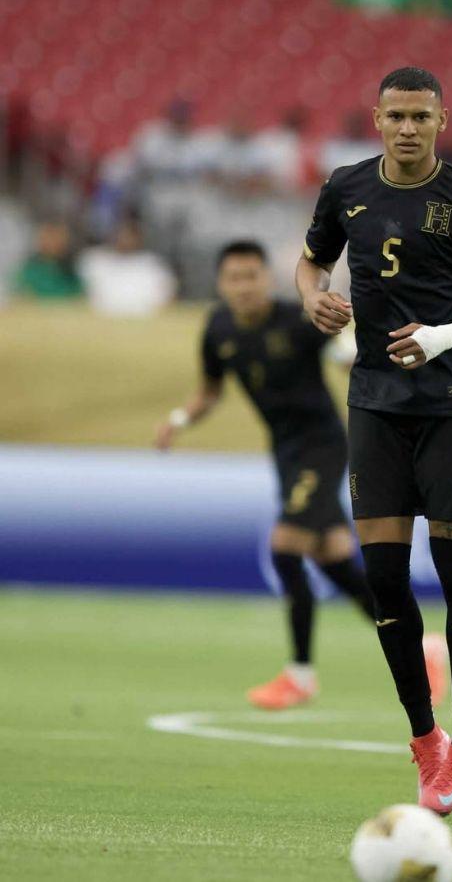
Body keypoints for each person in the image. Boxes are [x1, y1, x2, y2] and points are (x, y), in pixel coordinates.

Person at [294, 66, 452, 816]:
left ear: (442, 121)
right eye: (396, 115)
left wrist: (448, 332)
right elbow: (310, 259)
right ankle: (425, 743)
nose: (408, 128)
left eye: (422, 116)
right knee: (386, 581)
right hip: (375, 404)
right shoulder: (347, 188)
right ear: (377, 117)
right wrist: (313, 298)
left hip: (451, 404)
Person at [155, 240, 375, 709]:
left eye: (252, 275)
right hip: (286, 453)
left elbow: (341, 353)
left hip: (324, 446)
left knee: (286, 546)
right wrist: (178, 420)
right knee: (337, 563)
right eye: (234, 278)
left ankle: (299, 674)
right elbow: (211, 390)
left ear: (267, 279)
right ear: (221, 284)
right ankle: (423, 647)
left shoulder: (297, 319)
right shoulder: (217, 328)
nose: (244, 286)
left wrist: (354, 355)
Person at [78, 216, 176, 317]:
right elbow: (79, 296)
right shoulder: (93, 260)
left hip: (143, 324)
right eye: (121, 234)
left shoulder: (153, 265)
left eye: (130, 235)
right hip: (98, 322)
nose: (125, 239)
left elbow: (168, 300)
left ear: (139, 237)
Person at [11, 220, 82, 300]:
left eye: (58, 238)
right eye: (49, 237)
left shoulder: (71, 272)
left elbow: (79, 297)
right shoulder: (28, 271)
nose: (53, 242)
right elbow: (19, 296)